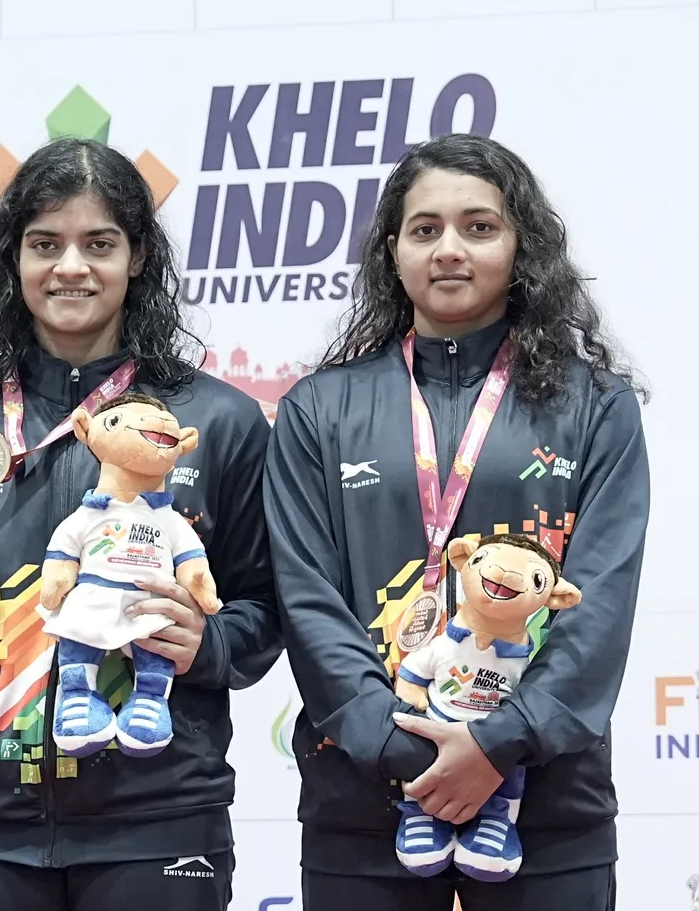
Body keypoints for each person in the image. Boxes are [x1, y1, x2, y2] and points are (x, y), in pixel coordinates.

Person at [0, 135, 283, 911]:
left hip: (158, 816)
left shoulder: (217, 422)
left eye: (99, 243)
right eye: (45, 244)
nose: (71, 266)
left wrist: (207, 643)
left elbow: (266, 611)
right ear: (13, 258)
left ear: (138, 257)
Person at [263, 132, 649, 911]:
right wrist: (401, 746)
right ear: (393, 251)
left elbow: (598, 602)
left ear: (520, 244)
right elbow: (306, 599)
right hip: (363, 803)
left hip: (546, 808)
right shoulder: (319, 408)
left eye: (479, 226)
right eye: (425, 228)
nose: (449, 248)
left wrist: (499, 744)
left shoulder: (595, 406)